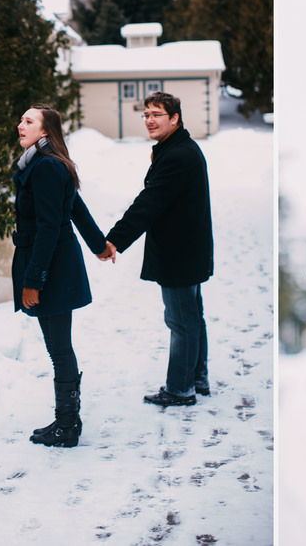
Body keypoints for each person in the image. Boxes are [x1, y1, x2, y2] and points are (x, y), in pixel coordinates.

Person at [101, 91, 213, 407]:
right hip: (187, 248)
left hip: (180, 251)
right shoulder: (177, 149)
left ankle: (180, 389)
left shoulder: (177, 155)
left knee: (181, 321)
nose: (149, 120)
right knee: (192, 317)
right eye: (146, 115)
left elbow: (149, 203)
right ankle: (197, 377)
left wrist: (115, 240)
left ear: (174, 118)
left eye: (156, 115)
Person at [12, 105, 110, 447]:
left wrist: (33, 281)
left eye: (29, 121)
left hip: (51, 267)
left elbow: (50, 227)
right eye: (22, 120)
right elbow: (75, 206)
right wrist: (99, 245)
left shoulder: (47, 167)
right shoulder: (41, 162)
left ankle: (67, 426)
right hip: (51, 263)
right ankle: (66, 420)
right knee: (59, 346)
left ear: (45, 131)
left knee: (59, 348)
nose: (20, 125)